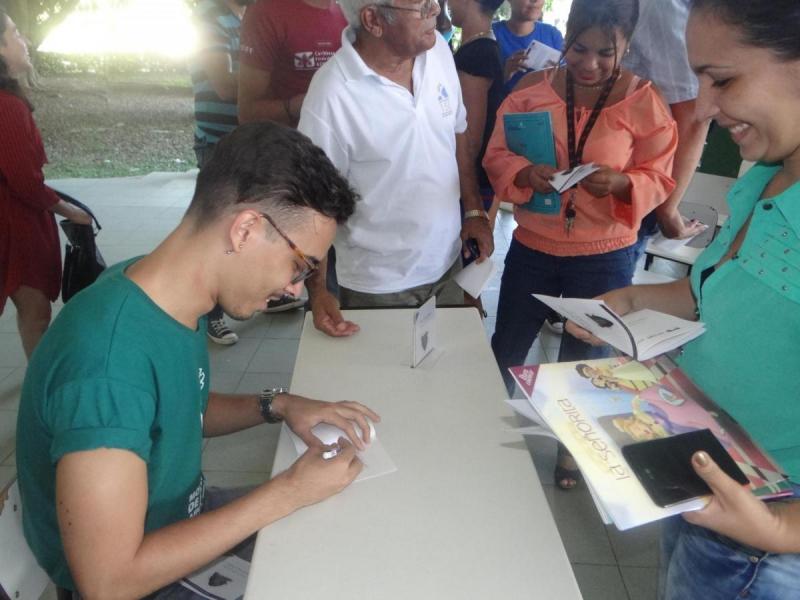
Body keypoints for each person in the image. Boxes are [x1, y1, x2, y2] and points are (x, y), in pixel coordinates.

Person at [16, 122, 380, 599]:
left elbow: (179, 413)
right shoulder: (105, 366)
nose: (295, 288)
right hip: (138, 573)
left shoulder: (158, 290)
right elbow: (107, 582)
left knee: (348, 531)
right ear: (246, 229)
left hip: (175, 518)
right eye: (301, 266)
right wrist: (288, 491)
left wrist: (280, 405)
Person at [567, 1, 800, 596]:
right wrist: (634, 299)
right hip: (705, 470)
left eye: (723, 79)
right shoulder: (765, 175)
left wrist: (778, 528)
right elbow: (716, 296)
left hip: (768, 535)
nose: (703, 107)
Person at [482, 0, 677, 489]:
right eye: (579, 49)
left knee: (583, 364)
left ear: (627, 46)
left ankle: (572, 454)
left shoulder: (643, 100)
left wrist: (622, 183)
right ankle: (480, 433)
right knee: (506, 345)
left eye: (606, 53)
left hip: (603, 257)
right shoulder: (530, 91)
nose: (590, 64)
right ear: (566, 36)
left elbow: (660, 173)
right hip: (532, 248)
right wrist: (524, 173)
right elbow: (497, 152)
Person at [298, 0, 495, 338]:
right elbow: (314, 204)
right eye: (421, 6)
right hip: (378, 283)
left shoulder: (439, 55)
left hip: (447, 263)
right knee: (386, 385)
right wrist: (318, 292)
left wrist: (474, 210)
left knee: (444, 372)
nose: (436, 11)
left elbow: (457, 131)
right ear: (373, 19)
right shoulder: (332, 94)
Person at [0, 9, 91, 360]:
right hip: (16, 224)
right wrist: (70, 210)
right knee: (36, 313)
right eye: (14, 35)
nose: (25, 41)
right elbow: (24, 182)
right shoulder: (7, 107)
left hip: (17, 217)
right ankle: (42, 398)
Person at [190, 0, 254, 345]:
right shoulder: (209, 20)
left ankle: (269, 294)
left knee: (253, 223)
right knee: (218, 230)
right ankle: (209, 315)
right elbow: (224, 85)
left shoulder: (250, 17)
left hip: (245, 138)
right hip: (217, 144)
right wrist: (268, 74)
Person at [623, 0, 710, 253]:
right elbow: (692, 113)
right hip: (632, 179)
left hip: (624, 172)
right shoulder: (664, 7)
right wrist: (667, 209)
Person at [492, 0, 564, 93]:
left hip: (544, 105)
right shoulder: (491, 35)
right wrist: (504, 74)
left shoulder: (553, 35)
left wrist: (557, 75)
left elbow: (567, 81)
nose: (535, 1)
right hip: (503, 105)